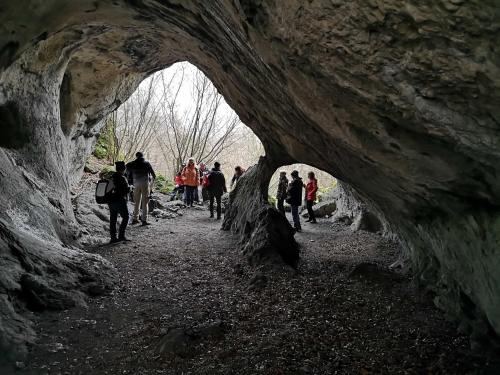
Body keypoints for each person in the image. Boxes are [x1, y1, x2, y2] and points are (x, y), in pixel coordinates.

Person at [126, 152, 156, 226]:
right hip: (145, 184)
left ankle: (135, 219)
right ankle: (144, 220)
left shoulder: (131, 164)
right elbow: (154, 175)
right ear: (143, 156)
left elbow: (126, 169)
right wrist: (151, 185)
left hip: (135, 184)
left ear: (136, 156)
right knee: (145, 203)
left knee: (136, 202)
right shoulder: (147, 163)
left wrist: (129, 181)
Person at [108, 161, 131, 243]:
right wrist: (130, 188)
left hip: (111, 200)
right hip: (119, 200)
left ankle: (113, 238)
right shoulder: (122, 178)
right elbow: (125, 190)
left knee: (113, 219)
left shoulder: (111, 177)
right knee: (126, 217)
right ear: (123, 169)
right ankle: (121, 235)